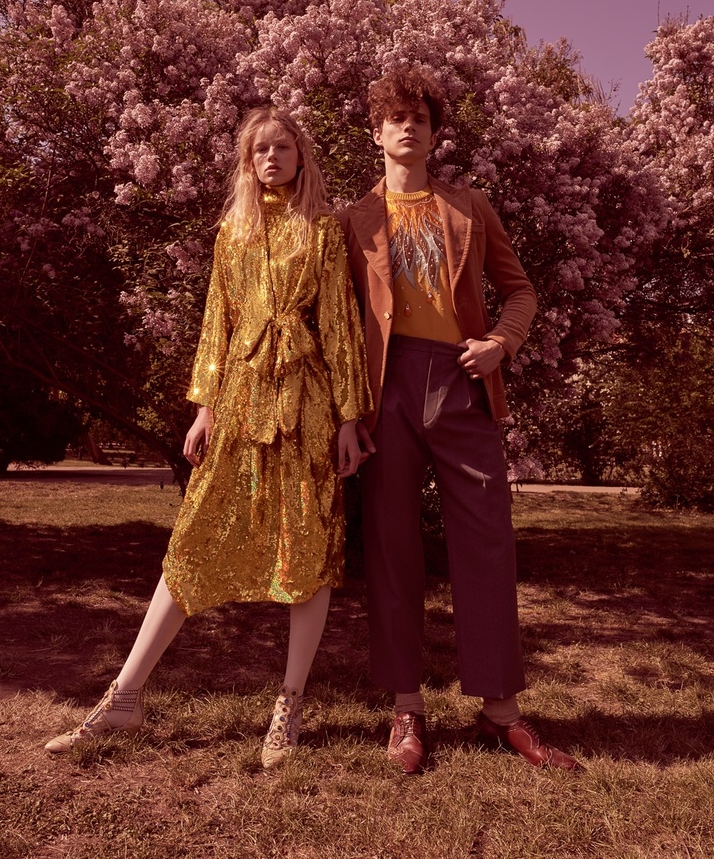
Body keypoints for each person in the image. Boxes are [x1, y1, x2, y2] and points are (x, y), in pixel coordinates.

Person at [44, 107, 372, 768]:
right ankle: (125, 696)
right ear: (248, 163)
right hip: (239, 403)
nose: (272, 158)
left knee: (308, 549)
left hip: (306, 406)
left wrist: (348, 419)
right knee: (194, 538)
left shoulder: (325, 232)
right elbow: (215, 323)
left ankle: (289, 705)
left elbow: (340, 326)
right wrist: (202, 409)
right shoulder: (232, 232)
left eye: (283, 147)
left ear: (301, 157)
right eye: (260, 150)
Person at [339, 68, 581, 774]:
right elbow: (342, 323)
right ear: (376, 133)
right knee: (391, 546)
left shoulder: (470, 206)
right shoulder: (353, 220)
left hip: (461, 382)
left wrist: (501, 342)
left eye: (419, 118)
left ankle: (500, 711)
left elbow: (520, 290)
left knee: (487, 541)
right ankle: (406, 708)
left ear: (434, 133)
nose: (408, 127)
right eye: (395, 118)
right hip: (386, 389)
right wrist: (350, 412)